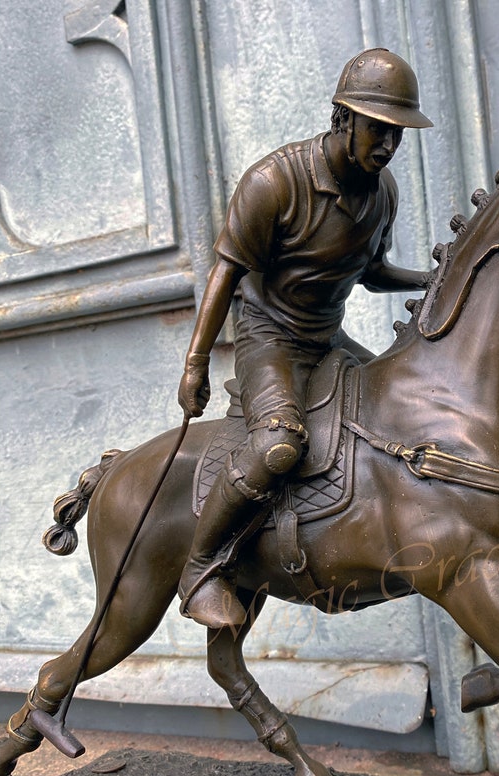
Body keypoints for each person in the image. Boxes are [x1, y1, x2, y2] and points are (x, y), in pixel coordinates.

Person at [177, 48, 433, 631]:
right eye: (378, 129)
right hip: (268, 338)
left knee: (407, 408)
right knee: (278, 446)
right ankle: (200, 568)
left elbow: (371, 274)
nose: (389, 144)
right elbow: (226, 273)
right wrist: (195, 364)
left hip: (325, 337)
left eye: (398, 133)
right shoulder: (276, 181)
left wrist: (434, 278)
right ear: (343, 118)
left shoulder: (381, 192)